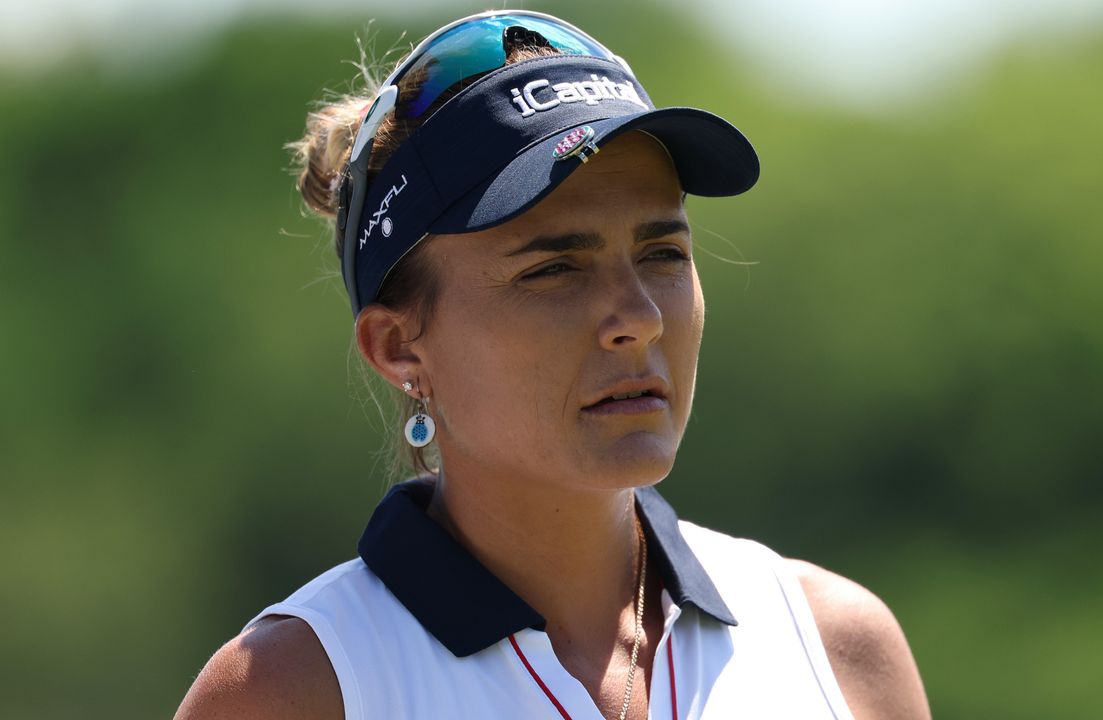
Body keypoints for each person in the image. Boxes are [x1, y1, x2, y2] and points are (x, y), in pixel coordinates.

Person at [175, 10, 929, 720]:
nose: (639, 318)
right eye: (553, 270)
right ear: (399, 347)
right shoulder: (291, 690)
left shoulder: (837, 649)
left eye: (662, 253)